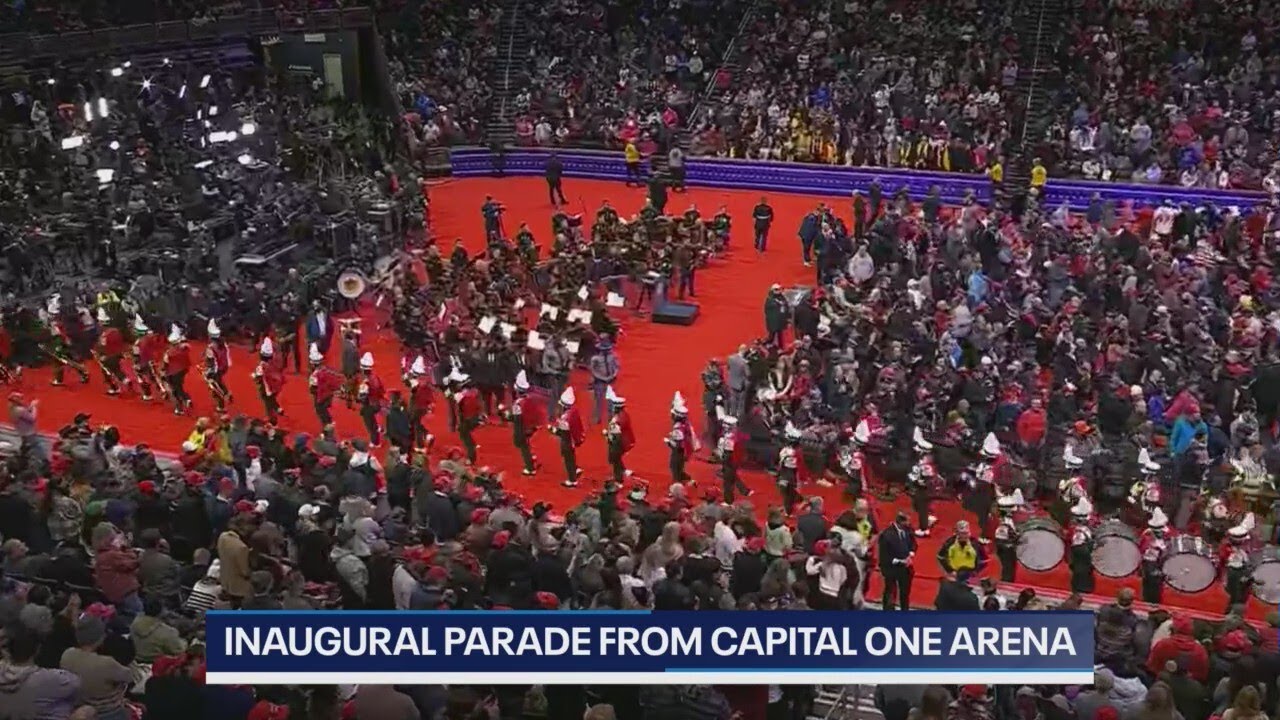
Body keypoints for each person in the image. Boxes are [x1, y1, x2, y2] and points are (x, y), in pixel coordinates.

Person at [878, 510, 917, 611]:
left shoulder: (908, 530)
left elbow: (913, 544)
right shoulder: (886, 535)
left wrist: (910, 555)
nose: (909, 524)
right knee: (890, 592)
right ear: (901, 522)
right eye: (907, 521)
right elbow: (885, 557)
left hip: (905, 569)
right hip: (891, 569)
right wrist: (901, 561)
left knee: (905, 593)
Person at [508, 370, 542, 475]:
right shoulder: (531, 399)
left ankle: (530, 468)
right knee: (527, 444)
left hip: (523, 428)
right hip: (532, 426)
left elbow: (517, 420)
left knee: (523, 447)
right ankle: (532, 457)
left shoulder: (517, 404)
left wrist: (507, 417)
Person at [554, 386, 586, 487]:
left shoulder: (565, 418)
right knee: (571, 456)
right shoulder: (574, 410)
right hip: (573, 438)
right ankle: (575, 469)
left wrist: (553, 430)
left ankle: (572, 480)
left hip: (567, 441)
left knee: (568, 459)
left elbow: (562, 433)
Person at [716, 412, 751, 503]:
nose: (724, 426)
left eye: (726, 424)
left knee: (728, 481)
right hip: (729, 460)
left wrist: (722, 458)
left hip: (730, 460)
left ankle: (728, 500)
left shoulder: (732, 438)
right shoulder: (730, 435)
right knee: (731, 476)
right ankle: (744, 490)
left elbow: (729, 453)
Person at [604, 387, 635, 484]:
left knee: (615, 460)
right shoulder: (625, 415)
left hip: (618, 443)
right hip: (625, 440)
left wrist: (607, 435)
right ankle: (624, 470)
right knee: (617, 458)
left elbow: (616, 436)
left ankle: (618, 480)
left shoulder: (616, 420)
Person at [161, 324, 192, 416]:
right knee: (179, 386)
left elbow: (165, 364)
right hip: (183, 370)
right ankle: (187, 399)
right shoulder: (184, 349)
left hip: (173, 373)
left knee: (175, 390)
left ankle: (179, 408)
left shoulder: (169, 353)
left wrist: (163, 372)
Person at [252, 337, 285, 424]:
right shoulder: (274, 363)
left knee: (267, 404)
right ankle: (278, 408)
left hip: (267, 389)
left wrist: (254, 376)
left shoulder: (261, 366)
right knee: (272, 398)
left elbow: (258, 376)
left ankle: (272, 420)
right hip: (276, 386)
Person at [307, 343, 342, 426]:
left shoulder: (315, 375)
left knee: (320, 411)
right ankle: (328, 423)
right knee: (323, 411)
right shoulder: (325, 370)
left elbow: (313, 388)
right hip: (327, 395)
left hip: (320, 396)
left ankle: (327, 425)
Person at [357, 351, 386, 447]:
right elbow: (382, 390)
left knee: (370, 424)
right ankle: (378, 428)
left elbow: (362, 398)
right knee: (373, 420)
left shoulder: (365, 383)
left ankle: (375, 441)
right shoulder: (375, 377)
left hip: (369, 406)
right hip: (377, 403)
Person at [666, 392, 696, 484]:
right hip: (685, 449)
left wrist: (668, 442)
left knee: (674, 466)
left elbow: (677, 445)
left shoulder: (678, 428)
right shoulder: (685, 423)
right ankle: (683, 476)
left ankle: (677, 483)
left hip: (679, 451)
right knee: (680, 465)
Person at [588, 337, 620, 425]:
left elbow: (616, 367)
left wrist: (613, 375)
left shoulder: (613, 357)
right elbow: (593, 371)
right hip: (600, 381)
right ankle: (597, 417)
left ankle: (611, 418)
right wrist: (602, 378)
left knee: (611, 400)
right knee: (598, 400)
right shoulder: (595, 359)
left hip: (611, 381)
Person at [203, 318, 232, 413]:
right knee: (219, 381)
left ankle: (221, 405)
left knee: (213, 387)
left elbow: (211, 363)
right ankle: (226, 393)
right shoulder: (223, 344)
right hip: (223, 367)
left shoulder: (211, 348)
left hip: (215, 370)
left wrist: (208, 374)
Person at [1068, 497, 1096, 594]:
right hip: (1082, 565)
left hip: (1083, 565)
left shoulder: (1082, 530)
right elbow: (1079, 549)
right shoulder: (1080, 532)